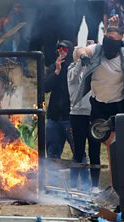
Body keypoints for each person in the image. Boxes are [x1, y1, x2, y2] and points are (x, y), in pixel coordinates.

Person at [73, 27, 124, 173]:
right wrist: (83, 56)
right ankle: (93, 186)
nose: (109, 42)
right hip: (97, 103)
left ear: (120, 43)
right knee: (94, 143)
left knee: (115, 145)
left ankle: (119, 178)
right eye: (107, 38)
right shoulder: (97, 50)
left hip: (117, 106)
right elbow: (80, 49)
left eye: (113, 39)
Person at [68, 46, 100, 192]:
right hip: (77, 114)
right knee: (78, 151)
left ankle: (94, 185)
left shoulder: (92, 69)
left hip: (93, 114)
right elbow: (75, 76)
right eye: (80, 54)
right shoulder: (71, 70)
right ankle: (73, 184)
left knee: (95, 150)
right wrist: (81, 60)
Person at [44, 40, 76, 186]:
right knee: (52, 154)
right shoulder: (54, 67)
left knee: (79, 153)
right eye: (59, 49)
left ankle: (81, 185)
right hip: (54, 117)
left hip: (71, 117)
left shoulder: (76, 67)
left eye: (64, 49)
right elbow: (45, 87)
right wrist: (56, 72)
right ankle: (52, 186)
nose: (61, 52)